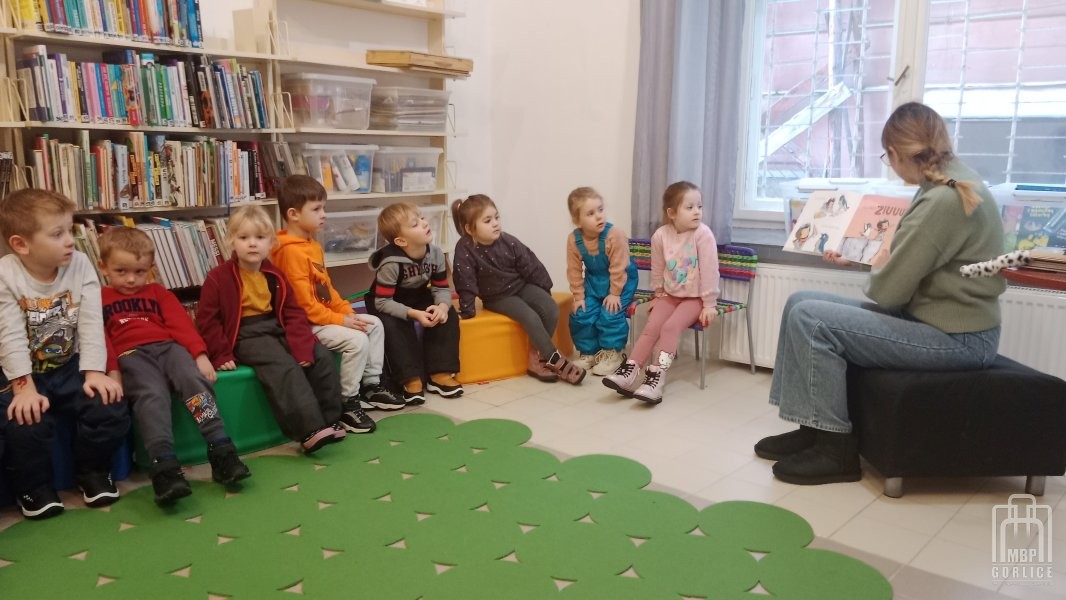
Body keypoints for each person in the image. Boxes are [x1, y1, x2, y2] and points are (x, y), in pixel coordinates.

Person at [754, 102, 1007, 485]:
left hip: (959, 339)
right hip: (936, 322)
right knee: (799, 302)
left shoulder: (942, 200)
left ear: (894, 152)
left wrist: (877, 265)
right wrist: (862, 259)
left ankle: (835, 449)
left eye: (887, 159)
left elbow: (888, 292)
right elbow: (912, 264)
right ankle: (812, 426)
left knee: (811, 318)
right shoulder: (948, 183)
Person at [196, 206, 373, 455]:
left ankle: (329, 420)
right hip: (246, 333)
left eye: (260, 238)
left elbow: (292, 312)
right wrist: (220, 353)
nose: (252, 244)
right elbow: (207, 320)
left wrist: (302, 346)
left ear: (271, 243)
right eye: (244, 237)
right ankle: (309, 430)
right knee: (283, 366)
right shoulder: (218, 277)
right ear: (231, 242)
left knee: (320, 356)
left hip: (275, 326)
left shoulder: (274, 274)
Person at [0, 189, 128, 520]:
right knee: (22, 421)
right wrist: (23, 387)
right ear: (21, 245)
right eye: (57, 234)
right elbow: (10, 335)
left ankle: (93, 472)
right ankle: (34, 487)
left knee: (109, 404)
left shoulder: (80, 264)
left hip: (69, 364)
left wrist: (95, 372)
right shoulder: (5, 274)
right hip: (22, 372)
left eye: (70, 230)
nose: (70, 240)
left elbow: (91, 322)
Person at [98, 227, 250, 506]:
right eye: (121, 271)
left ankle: (221, 450)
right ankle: (165, 466)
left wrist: (199, 355)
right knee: (151, 395)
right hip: (131, 355)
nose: (131, 279)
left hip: (169, 348)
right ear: (103, 267)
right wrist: (113, 370)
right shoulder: (99, 298)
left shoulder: (157, 292)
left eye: (140, 272)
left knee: (194, 381)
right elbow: (101, 338)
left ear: (151, 269)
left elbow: (181, 325)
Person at [270, 175, 404, 413]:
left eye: (324, 208)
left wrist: (347, 312)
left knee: (373, 324)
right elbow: (304, 305)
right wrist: (341, 320)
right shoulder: (288, 252)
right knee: (357, 340)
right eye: (316, 209)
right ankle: (347, 401)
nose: (323, 214)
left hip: (323, 318)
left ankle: (371, 386)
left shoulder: (312, 245)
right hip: (305, 325)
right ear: (293, 214)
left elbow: (326, 288)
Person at [602, 181, 720, 405]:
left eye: (699, 206)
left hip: (695, 298)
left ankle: (657, 375)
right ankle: (630, 371)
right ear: (672, 213)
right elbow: (657, 269)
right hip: (669, 295)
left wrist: (709, 304)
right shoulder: (660, 236)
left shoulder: (703, 235)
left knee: (669, 327)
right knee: (651, 327)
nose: (697, 211)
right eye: (690, 207)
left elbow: (710, 270)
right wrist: (658, 294)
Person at [452, 194, 585, 385]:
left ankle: (536, 358)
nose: (495, 223)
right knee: (529, 316)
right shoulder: (465, 249)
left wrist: (544, 290)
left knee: (550, 308)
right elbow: (465, 279)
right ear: (469, 229)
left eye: (496, 217)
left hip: (520, 286)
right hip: (497, 296)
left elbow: (531, 264)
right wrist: (467, 309)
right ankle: (553, 358)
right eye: (487, 221)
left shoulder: (508, 241)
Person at [366, 202, 462, 404]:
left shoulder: (435, 253)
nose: (424, 223)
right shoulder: (391, 263)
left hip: (417, 294)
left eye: (422, 218)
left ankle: (440, 374)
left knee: (448, 316)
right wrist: (413, 314)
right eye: (415, 224)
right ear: (401, 241)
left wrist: (442, 307)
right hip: (387, 300)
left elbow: (441, 288)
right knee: (393, 325)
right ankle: (410, 378)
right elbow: (383, 302)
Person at [565, 187, 637, 376]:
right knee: (581, 313)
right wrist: (578, 297)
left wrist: (615, 294)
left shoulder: (614, 235)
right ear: (577, 220)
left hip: (622, 280)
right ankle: (589, 352)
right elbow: (574, 270)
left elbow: (619, 268)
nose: (598, 216)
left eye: (600, 209)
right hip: (594, 282)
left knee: (610, 312)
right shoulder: (574, 240)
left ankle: (613, 353)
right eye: (590, 213)